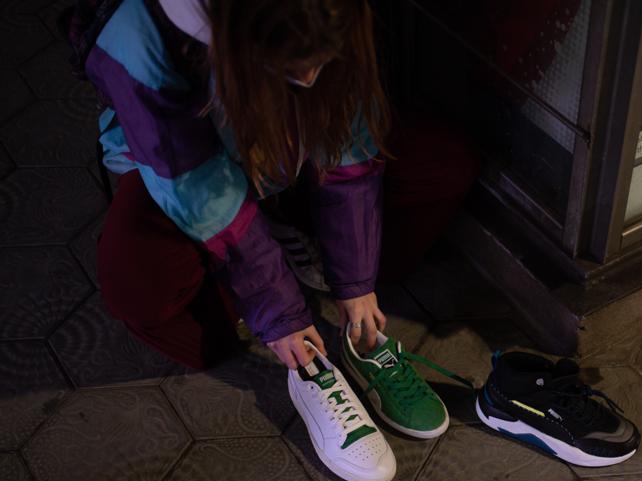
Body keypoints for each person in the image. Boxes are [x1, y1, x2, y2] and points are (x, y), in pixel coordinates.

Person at [70, 0, 478, 371]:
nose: (310, 76)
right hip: (182, 176)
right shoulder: (138, 34)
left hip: (289, 156)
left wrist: (356, 281)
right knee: (138, 287)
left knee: (447, 165)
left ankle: (284, 238)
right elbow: (196, 187)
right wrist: (279, 310)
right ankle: (245, 275)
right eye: (291, 62)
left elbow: (351, 142)